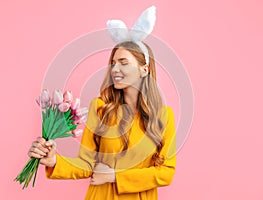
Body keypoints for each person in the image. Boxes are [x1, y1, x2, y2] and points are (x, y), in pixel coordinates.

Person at [28, 40, 176, 200]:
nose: (115, 69)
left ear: (144, 70)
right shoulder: (100, 108)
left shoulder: (164, 116)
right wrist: (54, 161)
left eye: (123, 63)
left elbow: (166, 172)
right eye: (113, 63)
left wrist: (114, 176)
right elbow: (87, 163)